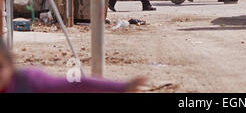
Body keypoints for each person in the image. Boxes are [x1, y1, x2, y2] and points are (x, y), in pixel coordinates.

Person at [0, 39, 147, 93]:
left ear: (11, 65)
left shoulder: (28, 82)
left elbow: (74, 84)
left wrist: (121, 87)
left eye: (0, 67)